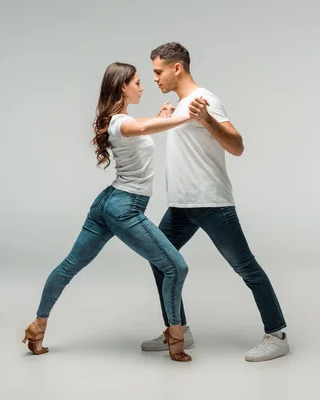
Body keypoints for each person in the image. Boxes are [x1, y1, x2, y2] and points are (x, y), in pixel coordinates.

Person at [22, 62, 193, 362]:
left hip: (108, 203)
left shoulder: (120, 119)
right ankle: (176, 337)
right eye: (138, 82)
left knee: (70, 265)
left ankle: (38, 325)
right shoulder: (121, 123)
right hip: (125, 208)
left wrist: (163, 116)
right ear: (122, 87)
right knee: (175, 267)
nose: (143, 87)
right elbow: (139, 128)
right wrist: (183, 116)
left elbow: (141, 126)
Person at [140, 43, 289, 362]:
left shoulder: (203, 100)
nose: (154, 79)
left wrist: (207, 119)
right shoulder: (182, 105)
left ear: (176, 68)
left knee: (245, 266)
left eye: (158, 71)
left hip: (210, 202)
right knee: (159, 258)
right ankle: (178, 330)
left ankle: (277, 334)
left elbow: (237, 145)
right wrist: (167, 120)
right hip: (181, 206)